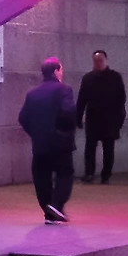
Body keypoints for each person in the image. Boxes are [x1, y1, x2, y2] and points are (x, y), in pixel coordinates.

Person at [18, 57, 76, 224]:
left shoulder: (32, 94)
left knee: (41, 177)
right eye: (61, 70)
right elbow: (69, 113)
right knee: (65, 174)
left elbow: (23, 118)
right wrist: (65, 131)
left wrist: (36, 133)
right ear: (56, 71)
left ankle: (49, 213)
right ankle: (56, 205)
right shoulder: (64, 90)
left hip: (40, 144)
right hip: (60, 143)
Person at [76, 50, 126, 184]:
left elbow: (121, 99)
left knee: (108, 149)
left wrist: (120, 118)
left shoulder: (115, 77)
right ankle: (89, 173)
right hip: (93, 118)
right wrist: (78, 117)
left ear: (105, 60)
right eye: (96, 61)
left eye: (100, 60)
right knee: (90, 148)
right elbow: (82, 99)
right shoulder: (88, 78)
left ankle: (106, 175)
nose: (98, 63)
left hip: (110, 119)